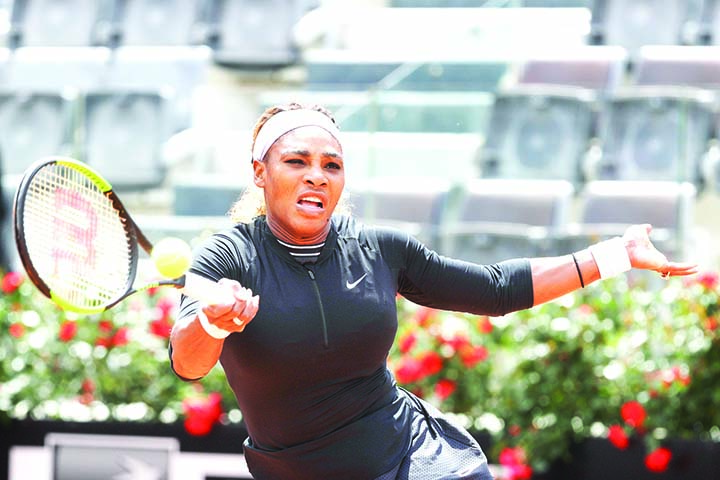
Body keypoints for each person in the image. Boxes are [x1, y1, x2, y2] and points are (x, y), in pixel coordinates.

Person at [169, 102, 697, 480]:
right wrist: (213, 321)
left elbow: (494, 289)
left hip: (410, 459)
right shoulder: (227, 257)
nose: (317, 176)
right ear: (259, 173)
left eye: (332, 165)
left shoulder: (381, 249)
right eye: (296, 162)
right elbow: (188, 363)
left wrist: (616, 255)